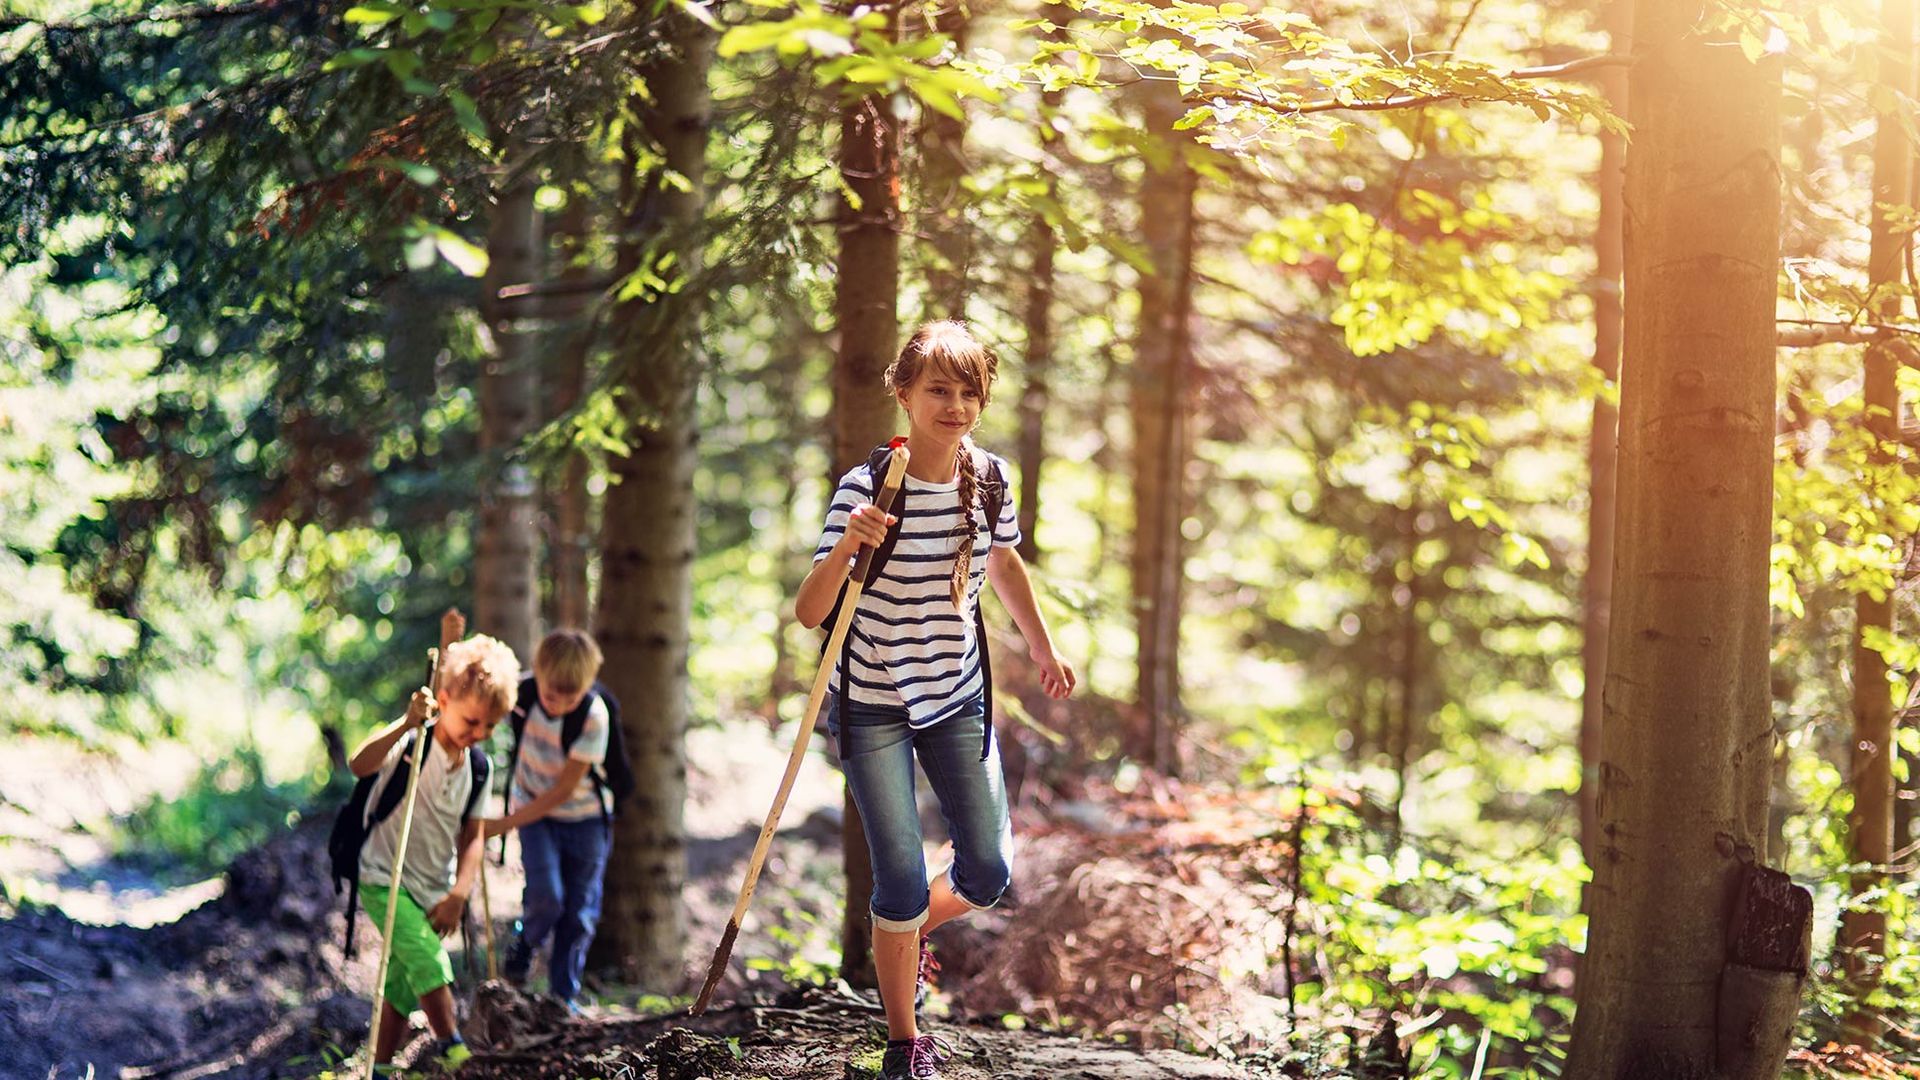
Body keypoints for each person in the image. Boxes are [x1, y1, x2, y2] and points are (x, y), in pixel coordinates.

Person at [795, 321, 1076, 1080]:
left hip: (954, 693)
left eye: (967, 392)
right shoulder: (867, 486)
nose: (954, 405)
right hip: (873, 703)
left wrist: (1042, 647)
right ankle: (903, 1040)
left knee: (986, 871)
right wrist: (851, 542)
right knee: (898, 878)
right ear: (904, 393)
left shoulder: (987, 479)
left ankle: (905, 928)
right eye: (938, 391)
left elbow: (1006, 562)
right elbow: (810, 612)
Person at [349, 612, 519, 1071]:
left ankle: (380, 1067)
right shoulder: (413, 744)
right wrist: (405, 724)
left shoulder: (478, 768)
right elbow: (359, 764)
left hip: (434, 887)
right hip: (384, 876)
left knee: (404, 984)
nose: (478, 733)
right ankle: (453, 1048)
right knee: (427, 961)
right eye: (472, 721)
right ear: (443, 701)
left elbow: (473, 835)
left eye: (489, 726)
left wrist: (459, 893)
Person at [488, 628, 615, 1010]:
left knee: (578, 912)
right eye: (549, 694)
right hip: (536, 815)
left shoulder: (594, 715)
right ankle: (525, 943)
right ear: (536, 675)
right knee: (546, 897)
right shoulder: (520, 695)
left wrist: (502, 825)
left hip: (586, 819)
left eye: (570, 697)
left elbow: (562, 791)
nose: (558, 704)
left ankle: (563, 995)